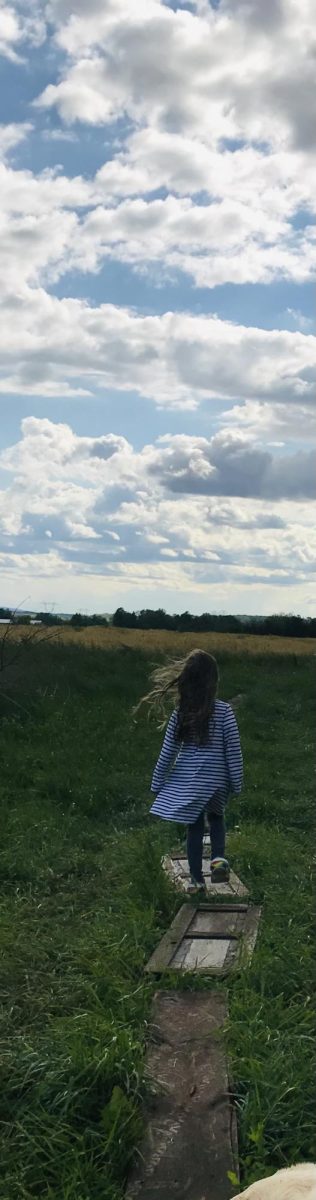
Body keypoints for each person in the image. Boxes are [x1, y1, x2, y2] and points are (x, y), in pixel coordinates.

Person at [136, 648, 243, 894]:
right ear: (214, 681)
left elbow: (168, 752)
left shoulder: (181, 713)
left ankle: (196, 880)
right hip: (217, 782)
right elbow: (233, 752)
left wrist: (157, 783)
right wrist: (236, 782)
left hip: (190, 782)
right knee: (216, 820)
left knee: (194, 827)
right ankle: (218, 862)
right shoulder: (225, 712)